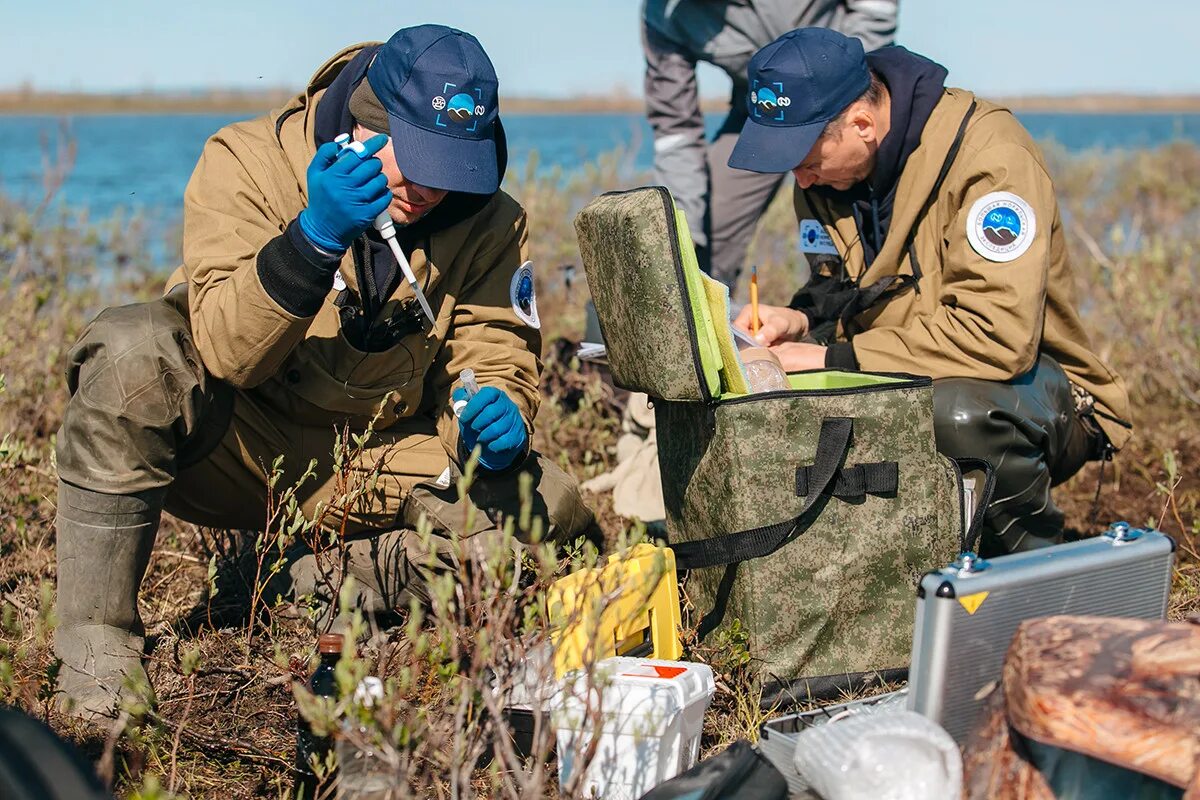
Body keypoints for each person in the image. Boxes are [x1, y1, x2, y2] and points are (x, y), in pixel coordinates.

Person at [52, 24, 595, 719]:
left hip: (379, 456)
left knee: (547, 507)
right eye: (419, 160)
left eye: (453, 167)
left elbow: (495, 351)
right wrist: (313, 238)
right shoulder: (245, 161)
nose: (431, 189)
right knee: (131, 355)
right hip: (236, 447)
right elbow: (225, 350)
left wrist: (501, 419)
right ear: (364, 122)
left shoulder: (489, 218)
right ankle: (97, 647)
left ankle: (294, 580)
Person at [729, 28, 1132, 555]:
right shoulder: (827, 176)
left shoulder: (990, 159)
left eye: (804, 157)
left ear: (863, 124)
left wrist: (831, 356)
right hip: (903, 374)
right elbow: (841, 292)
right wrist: (800, 322)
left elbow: (995, 339)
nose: (799, 180)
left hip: (1037, 393)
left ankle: (1036, 574)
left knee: (957, 413)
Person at [643, 0, 898, 292]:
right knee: (696, 237)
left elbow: (875, 7)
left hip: (844, 95)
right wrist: (678, 229)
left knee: (863, 209)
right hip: (760, 116)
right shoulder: (662, 18)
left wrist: (848, 81)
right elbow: (676, 131)